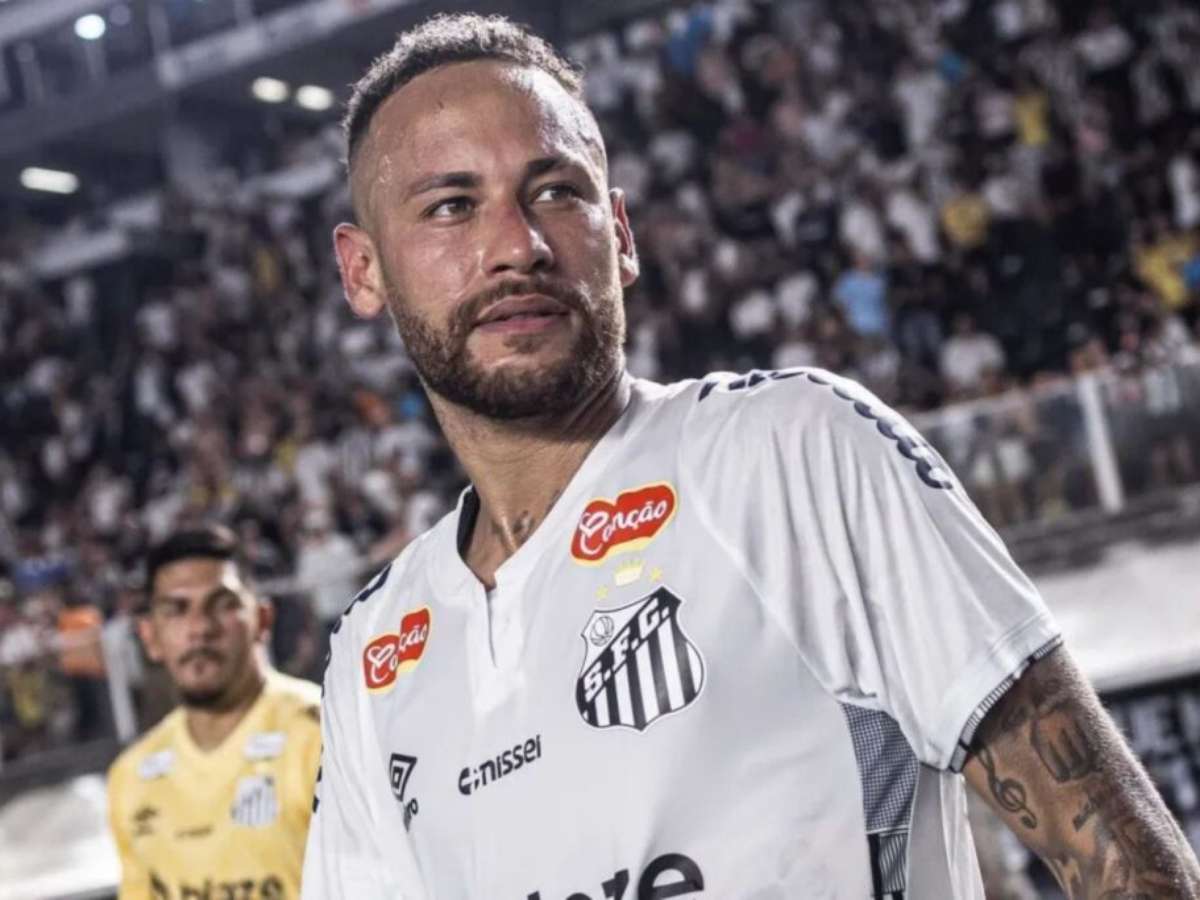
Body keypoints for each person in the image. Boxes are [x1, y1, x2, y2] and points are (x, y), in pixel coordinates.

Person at [303, 13, 1200, 899]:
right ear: (362, 270)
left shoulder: (792, 453)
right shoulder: (374, 649)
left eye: (556, 192)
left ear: (621, 234)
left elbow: (1128, 869)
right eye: (451, 207)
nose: (517, 247)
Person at [107, 524, 320, 899]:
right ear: (150, 637)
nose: (200, 628)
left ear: (262, 620)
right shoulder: (131, 777)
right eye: (176, 610)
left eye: (222, 605)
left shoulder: (324, 735)